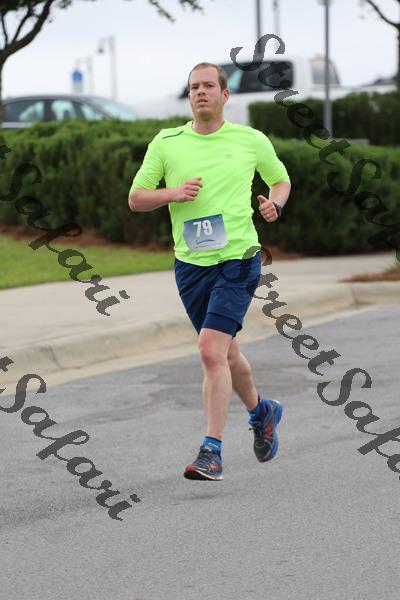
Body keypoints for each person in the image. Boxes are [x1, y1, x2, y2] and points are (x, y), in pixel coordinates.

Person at [128, 62, 291, 481]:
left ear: (224, 95)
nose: (200, 92)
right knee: (226, 352)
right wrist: (173, 193)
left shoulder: (250, 139)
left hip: (238, 260)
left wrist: (275, 204)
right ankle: (262, 412)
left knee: (209, 351)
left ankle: (211, 451)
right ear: (189, 96)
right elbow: (137, 198)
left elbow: (280, 180)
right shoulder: (167, 142)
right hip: (191, 265)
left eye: (208, 86)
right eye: (193, 87)